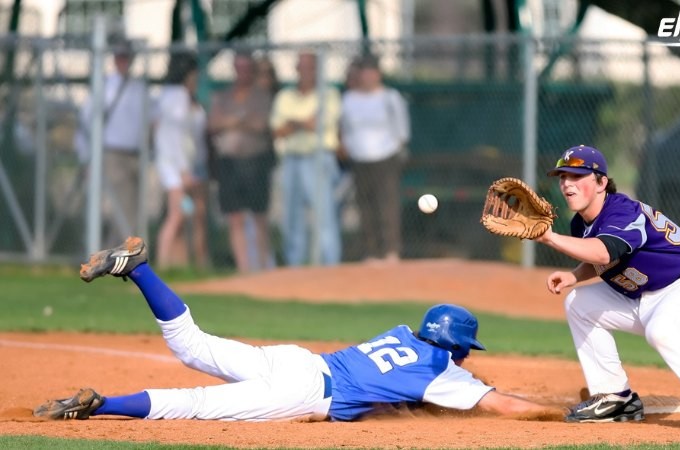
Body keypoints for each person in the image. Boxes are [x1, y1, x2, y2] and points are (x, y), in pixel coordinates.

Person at [33, 237, 558, 422]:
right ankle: (101, 405)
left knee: (192, 345)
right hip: (305, 392)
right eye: (465, 351)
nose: (466, 359)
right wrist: (560, 414)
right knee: (195, 404)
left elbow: (401, 388)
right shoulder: (442, 372)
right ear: (457, 348)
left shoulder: (402, 332)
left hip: (296, 359)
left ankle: (139, 269)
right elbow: (504, 406)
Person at [533, 144, 680, 432]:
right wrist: (575, 276)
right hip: (647, 297)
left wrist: (550, 238)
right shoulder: (581, 224)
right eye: (563, 177)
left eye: (577, 176)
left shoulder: (622, 211)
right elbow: (607, 257)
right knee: (579, 302)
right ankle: (615, 399)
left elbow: (604, 252)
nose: (567, 183)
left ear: (602, 182)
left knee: (662, 330)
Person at [74, 37, 151, 245]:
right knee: (122, 209)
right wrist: (85, 156)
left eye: (127, 57)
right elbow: (85, 122)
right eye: (120, 57)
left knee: (132, 208)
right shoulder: (105, 87)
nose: (123, 61)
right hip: (113, 154)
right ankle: (120, 252)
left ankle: (118, 251)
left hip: (136, 154)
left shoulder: (139, 88)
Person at [271, 52, 342, 266]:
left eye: (310, 66)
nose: (306, 71)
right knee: (291, 216)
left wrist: (293, 123)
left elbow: (317, 125)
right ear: (296, 69)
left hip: (318, 157)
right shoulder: (285, 96)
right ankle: (294, 266)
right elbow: (278, 131)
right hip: (291, 159)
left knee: (324, 215)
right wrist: (303, 122)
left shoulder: (329, 94)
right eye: (302, 66)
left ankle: (330, 264)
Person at [339, 55, 410, 264]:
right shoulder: (349, 99)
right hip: (359, 159)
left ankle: (391, 250)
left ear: (378, 74)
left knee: (387, 204)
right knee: (365, 206)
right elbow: (344, 129)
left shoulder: (390, 97)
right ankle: (371, 252)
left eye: (371, 72)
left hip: (386, 157)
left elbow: (402, 130)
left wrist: (396, 150)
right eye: (364, 72)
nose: (368, 77)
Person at [208, 51, 274, 273]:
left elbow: (260, 124)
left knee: (259, 216)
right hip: (229, 164)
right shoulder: (224, 95)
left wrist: (230, 121)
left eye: (247, 68)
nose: (243, 72)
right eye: (239, 67)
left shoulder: (261, 96)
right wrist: (242, 119)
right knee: (234, 216)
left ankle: (262, 267)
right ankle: (244, 269)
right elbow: (214, 123)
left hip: (255, 162)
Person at [154, 52, 209, 269]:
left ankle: (181, 264)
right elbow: (176, 138)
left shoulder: (179, 97)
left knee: (188, 214)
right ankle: (163, 263)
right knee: (177, 215)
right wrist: (184, 171)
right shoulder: (177, 97)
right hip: (175, 168)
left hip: (184, 165)